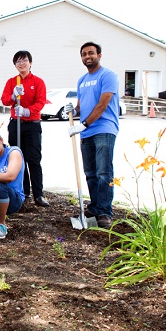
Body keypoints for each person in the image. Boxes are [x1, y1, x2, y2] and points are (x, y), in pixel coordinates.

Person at [65, 41, 120, 229]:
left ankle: (105, 211)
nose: (87, 57)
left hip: (104, 128)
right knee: (90, 173)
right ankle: (95, 207)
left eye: (91, 53)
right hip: (86, 131)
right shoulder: (81, 80)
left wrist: (85, 123)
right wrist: (73, 110)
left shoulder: (108, 75)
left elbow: (102, 105)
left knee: (104, 172)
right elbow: (82, 107)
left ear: (99, 55)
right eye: (83, 54)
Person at [0, 50, 49, 207]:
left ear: (30, 63)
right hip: (16, 124)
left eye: (24, 60)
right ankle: (24, 191)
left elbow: (41, 102)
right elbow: (5, 100)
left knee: (33, 159)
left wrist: (28, 111)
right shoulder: (11, 82)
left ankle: (39, 194)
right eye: (18, 61)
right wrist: (14, 96)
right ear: (15, 65)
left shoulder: (38, 82)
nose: (21, 64)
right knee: (17, 158)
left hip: (32, 125)